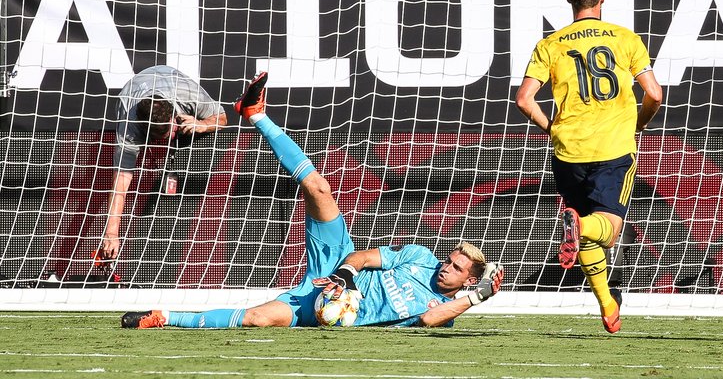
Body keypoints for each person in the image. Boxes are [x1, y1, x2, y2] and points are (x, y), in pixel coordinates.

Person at [122, 72, 503, 329]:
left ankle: (162, 316)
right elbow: (365, 257)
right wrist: (344, 276)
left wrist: (479, 296)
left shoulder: (446, 310)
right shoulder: (422, 258)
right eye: (450, 259)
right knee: (319, 188)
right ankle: (255, 114)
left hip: (324, 309)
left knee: (258, 319)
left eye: (455, 268)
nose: (445, 267)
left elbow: (429, 323)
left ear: (468, 280)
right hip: (336, 267)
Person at [515, 0, 663, 333]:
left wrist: (553, 130)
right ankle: (580, 227)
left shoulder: (550, 44)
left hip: (568, 152)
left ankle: (607, 304)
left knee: (583, 234)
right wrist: (639, 121)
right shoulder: (625, 39)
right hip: (612, 148)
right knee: (607, 230)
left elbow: (524, 100)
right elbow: (656, 93)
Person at [98, 66, 228, 261]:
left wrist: (201, 125)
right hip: (132, 92)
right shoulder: (129, 122)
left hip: (173, 88)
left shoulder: (189, 95)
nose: (165, 140)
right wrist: (111, 233)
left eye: (169, 133)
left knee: (202, 131)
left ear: (172, 116)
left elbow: (223, 118)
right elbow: (121, 182)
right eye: (157, 138)